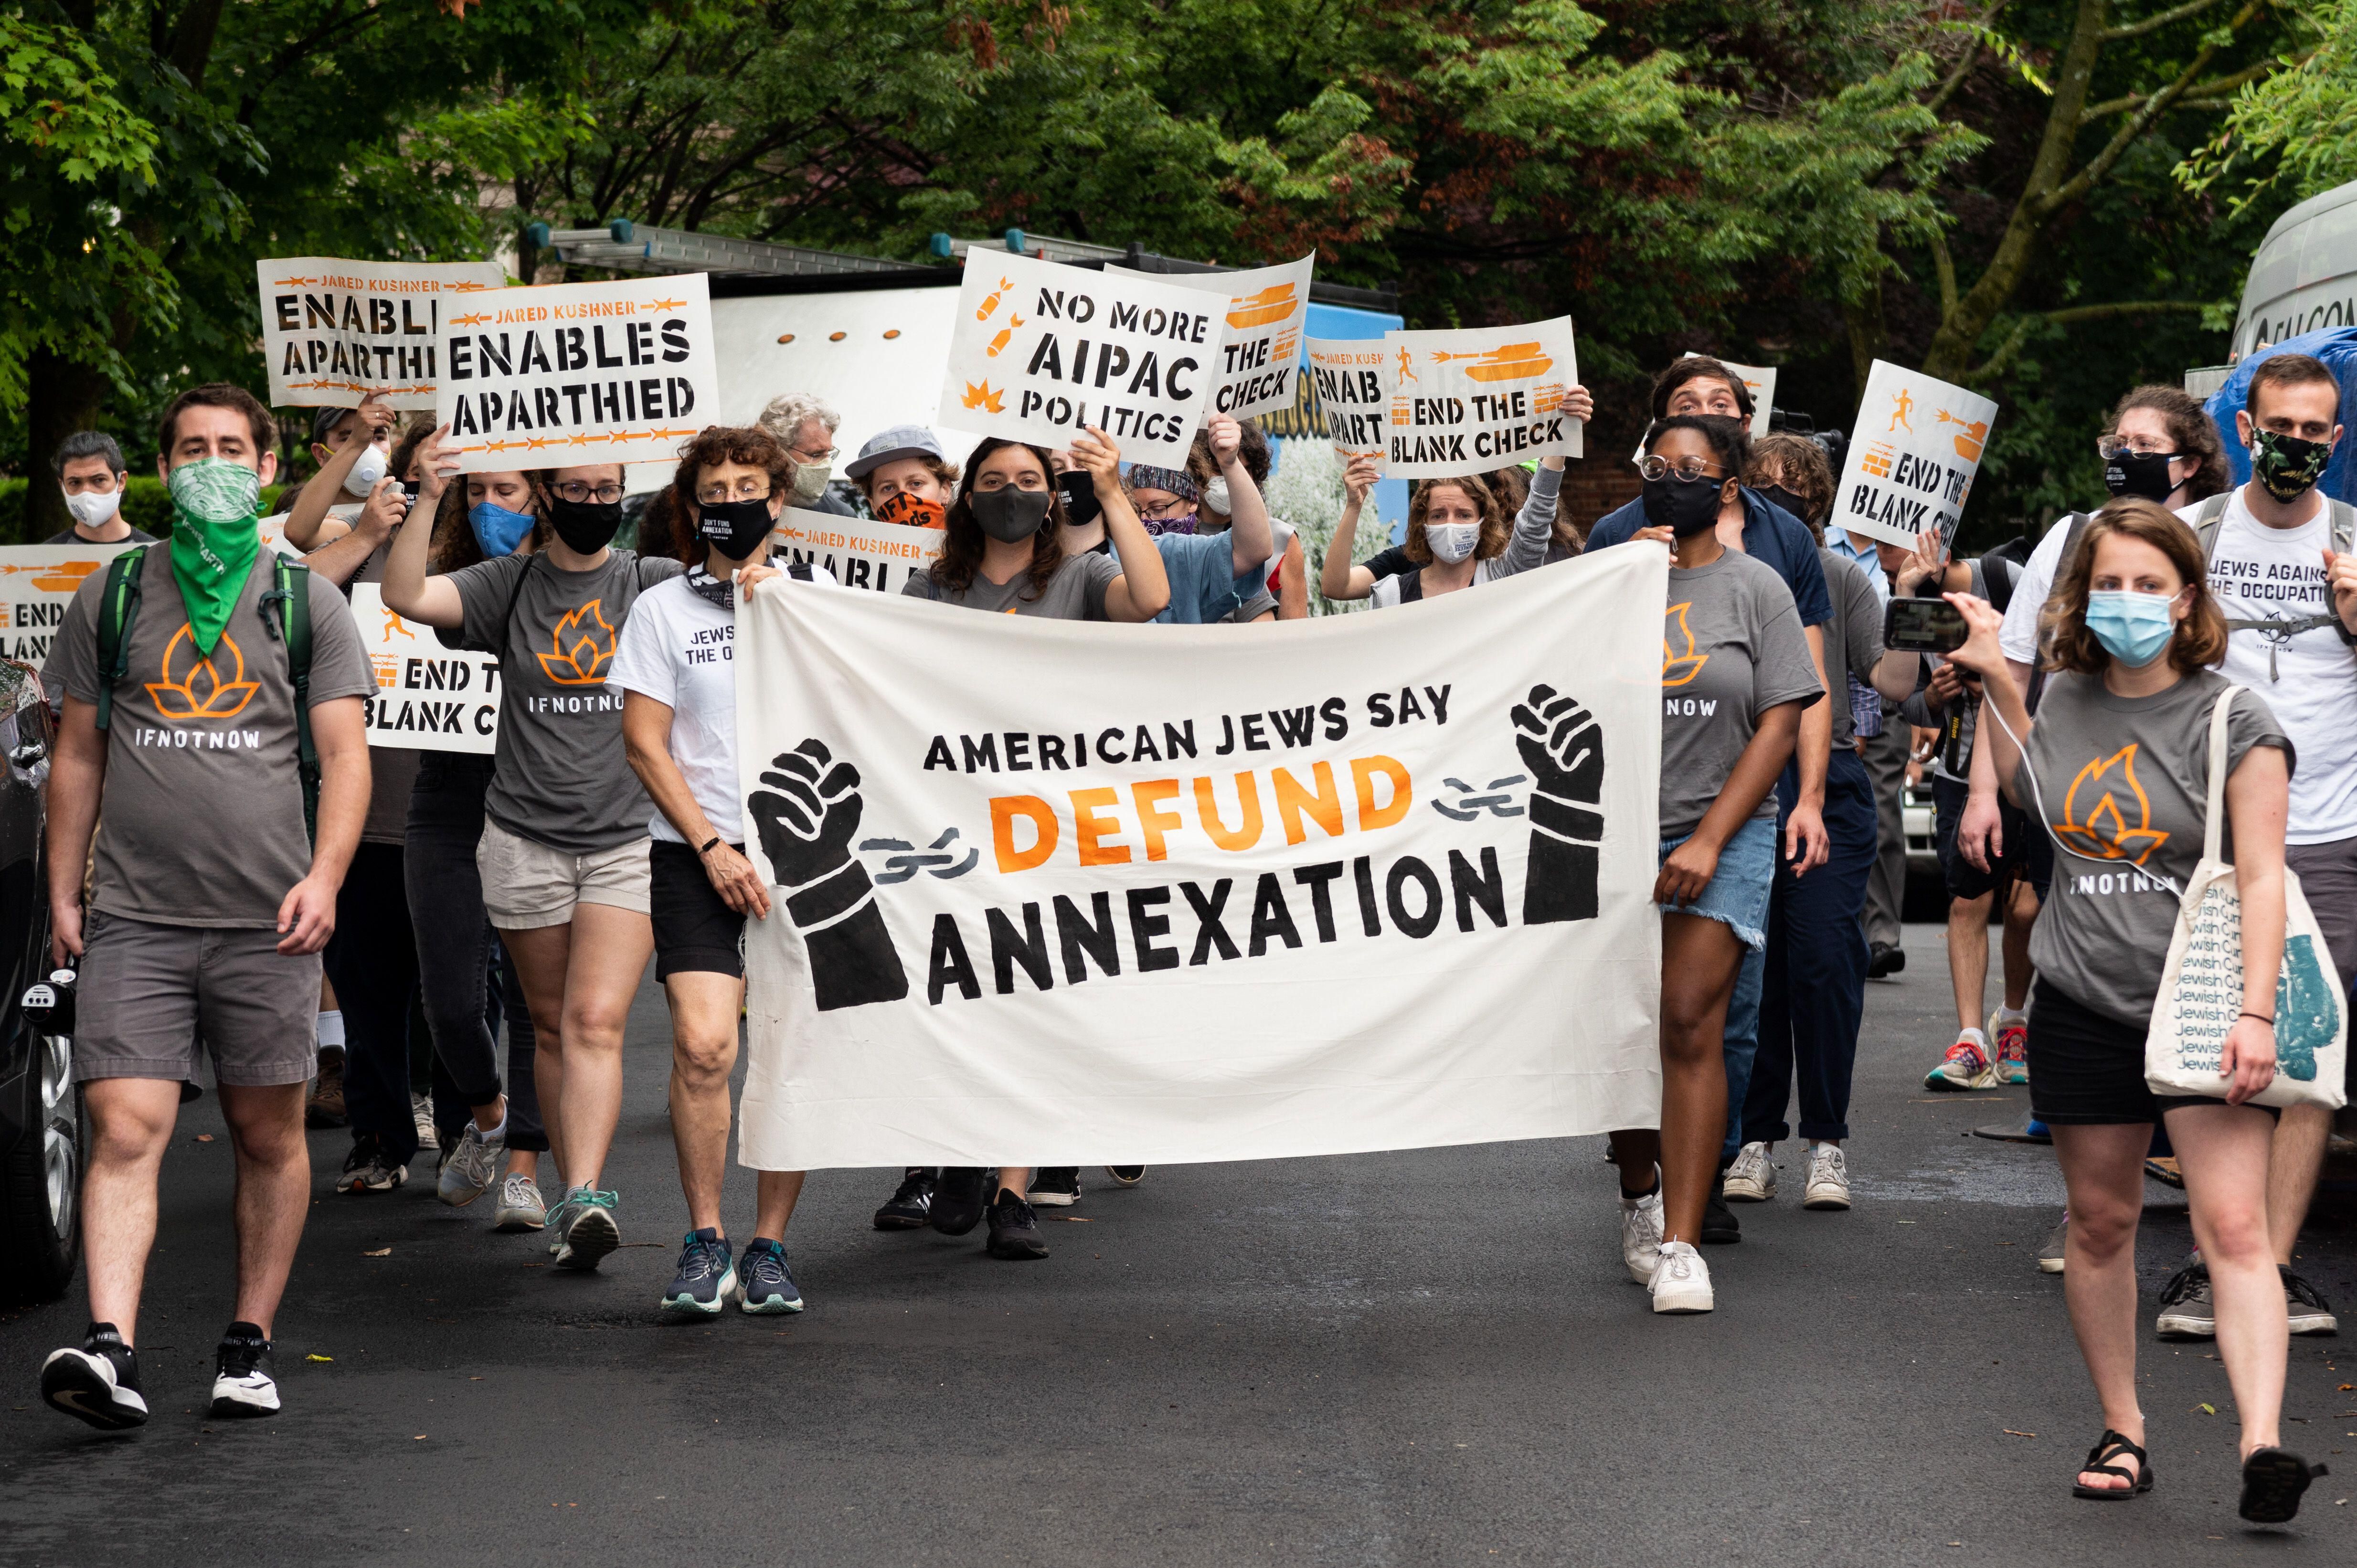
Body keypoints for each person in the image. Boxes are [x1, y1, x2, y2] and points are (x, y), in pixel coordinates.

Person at [1944, 497, 2325, 1523]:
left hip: (2201, 1004)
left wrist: (2254, 1014)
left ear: (2186, 598)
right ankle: (2123, 1427)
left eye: (2147, 585)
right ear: (2079, 595)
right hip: (2081, 997)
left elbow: (2260, 878)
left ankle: (2261, 1445)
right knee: (2100, 1222)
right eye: (2107, 583)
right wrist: (1991, 678)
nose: (2125, 601)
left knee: (2234, 1225)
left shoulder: (2232, 719)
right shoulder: (2062, 696)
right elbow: (2041, 802)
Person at [37, 383, 374, 1428]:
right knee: (123, 1123)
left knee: (266, 1131)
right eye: (192, 448)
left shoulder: (301, 595)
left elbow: (344, 755)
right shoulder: (117, 592)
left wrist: (323, 880)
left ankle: (248, 1344)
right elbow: (79, 752)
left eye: (232, 447)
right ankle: (110, 1348)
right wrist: (63, 887)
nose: (212, 462)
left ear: (267, 467)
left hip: (267, 921)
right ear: (164, 467)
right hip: (136, 915)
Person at [1991, 377, 2341, 1337]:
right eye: (2280, 428)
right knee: (2167, 1008)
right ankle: (2133, 1218)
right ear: (2244, 429)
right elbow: (2108, 669)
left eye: (2315, 431)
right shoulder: (2205, 530)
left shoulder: (2349, 536)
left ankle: (2250, 1258)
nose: (2295, 443)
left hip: (2323, 820)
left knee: (2298, 1033)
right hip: (2191, 821)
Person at [383, 434, 684, 1271]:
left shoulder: (650, 582)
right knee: (548, 1023)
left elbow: (744, 596)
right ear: (545, 496)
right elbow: (406, 593)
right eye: (578, 488)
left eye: (610, 488)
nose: (595, 501)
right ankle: (551, 1182)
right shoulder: (506, 584)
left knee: (594, 1018)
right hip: (521, 836)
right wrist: (433, 492)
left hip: (626, 836)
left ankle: (585, 1193)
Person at [900, 426, 1169, 1259]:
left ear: (1052, 497)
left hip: (1052, 825)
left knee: (1031, 998)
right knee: (961, 997)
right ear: (966, 494)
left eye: (1029, 478)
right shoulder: (928, 587)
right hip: (955, 821)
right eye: (994, 477)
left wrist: (1114, 490)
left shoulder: (1084, 577)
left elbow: (1151, 598)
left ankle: (1011, 1188)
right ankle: (961, 1152)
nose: (1012, 490)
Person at [1598, 413, 1819, 1313]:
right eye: (1658, 464)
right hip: (1611, 837)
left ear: (1728, 489)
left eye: (1692, 468)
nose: (1671, 478)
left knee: (1690, 1020)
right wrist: (1618, 582)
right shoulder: (1613, 578)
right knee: (1621, 1030)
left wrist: (1707, 839)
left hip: (1721, 834)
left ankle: (1685, 1241)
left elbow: (1780, 717)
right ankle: (1640, 1197)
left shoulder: (1758, 587)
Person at [616, 425, 835, 1321]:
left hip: (808, 856)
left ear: (779, 502)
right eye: (718, 486)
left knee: (787, 1050)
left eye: (752, 484)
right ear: (692, 505)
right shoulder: (661, 609)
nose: (735, 499)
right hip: (696, 853)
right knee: (707, 1043)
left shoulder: (820, 603)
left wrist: (788, 612)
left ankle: (771, 1243)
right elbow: (643, 741)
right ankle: (705, 1239)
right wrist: (712, 844)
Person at [1726, 434, 1918, 1210]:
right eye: (1761, 484)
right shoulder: (1719, 578)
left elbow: (1893, 680)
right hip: (1739, 783)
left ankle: (1827, 1140)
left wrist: (1914, 589)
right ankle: (1755, 1136)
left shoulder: (1840, 576)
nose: (1776, 499)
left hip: (1826, 786)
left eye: (1791, 488)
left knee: (1820, 962)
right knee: (1755, 969)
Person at [279, 403, 446, 1195]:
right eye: (426, 469)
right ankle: (378, 1137)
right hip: (367, 811)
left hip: (453, 809)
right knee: (370, 982)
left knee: (450, 991)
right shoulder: (359, 537)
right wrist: (370, 521)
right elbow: (289, 556)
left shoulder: (480, 550)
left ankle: (460, 1127)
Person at [399, 457, 551, 1231]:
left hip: (538, 807)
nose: (491, 504)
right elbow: (398, 598)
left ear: (541, 499)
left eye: (508, 491)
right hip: (449, 808)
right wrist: (426, 497)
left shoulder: (570, 582)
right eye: (479, 492)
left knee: (530, 1002)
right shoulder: (448, 578)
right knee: (452, 1002)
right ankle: (488, 1117)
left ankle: (523, 1162)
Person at [1890, 538, 2048, 1093]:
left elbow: (2046, 663)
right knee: (1966, 898)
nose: (1889, 561)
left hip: (2022, 759)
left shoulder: (2002, 577)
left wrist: (1996, 679)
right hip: (1960, 767)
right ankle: (1968, 1039)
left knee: (2027, 907)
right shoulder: (1903, 600)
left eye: (1895, 550)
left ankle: (2012, 1019)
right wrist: (1936, 698)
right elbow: (1902, 700)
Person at [48, 431, 156, 545]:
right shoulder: (43, 558)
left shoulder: (153, 554)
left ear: (121, 481)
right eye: (75, 483)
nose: (87, 491)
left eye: (99, 480)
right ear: (62, 486)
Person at [756, 392, 853, 515]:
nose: (827, 464)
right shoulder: (742, 506)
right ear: (778, 453)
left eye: (829, 453)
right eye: (816, 455)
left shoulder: (840, 516)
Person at [846, 424, 957, 527]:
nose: (903, 498)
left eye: (916, 484)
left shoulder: (969, 546)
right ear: (873, 503)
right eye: (888, 488)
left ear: (945, 490)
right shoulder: (852, 548)